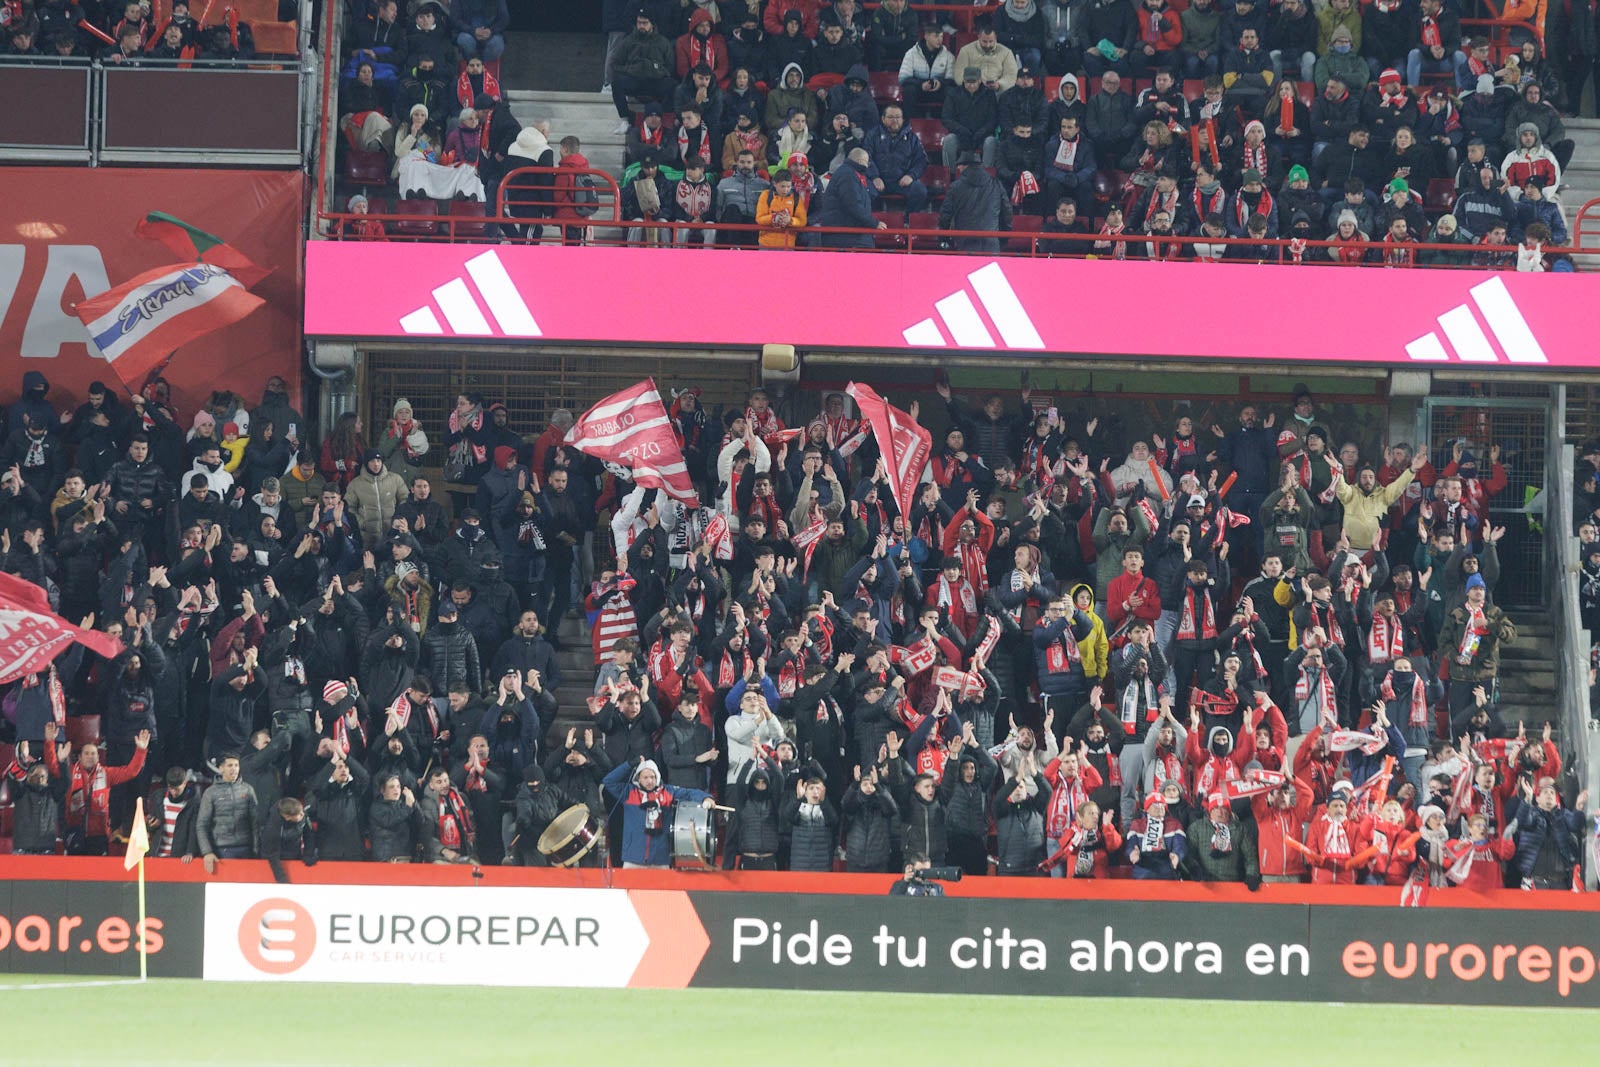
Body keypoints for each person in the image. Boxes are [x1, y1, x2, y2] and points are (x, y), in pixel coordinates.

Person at [602, 757, 714, 867]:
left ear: (657, 777)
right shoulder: (628, 792)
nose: (650, 781)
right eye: (645, 777)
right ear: (638, 778)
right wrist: (629, 764)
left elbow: (688, 793)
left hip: (660, 859)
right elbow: (608, 781)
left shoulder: (667, 792)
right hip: (632, 859)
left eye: (652, 777)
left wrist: (705, 798)